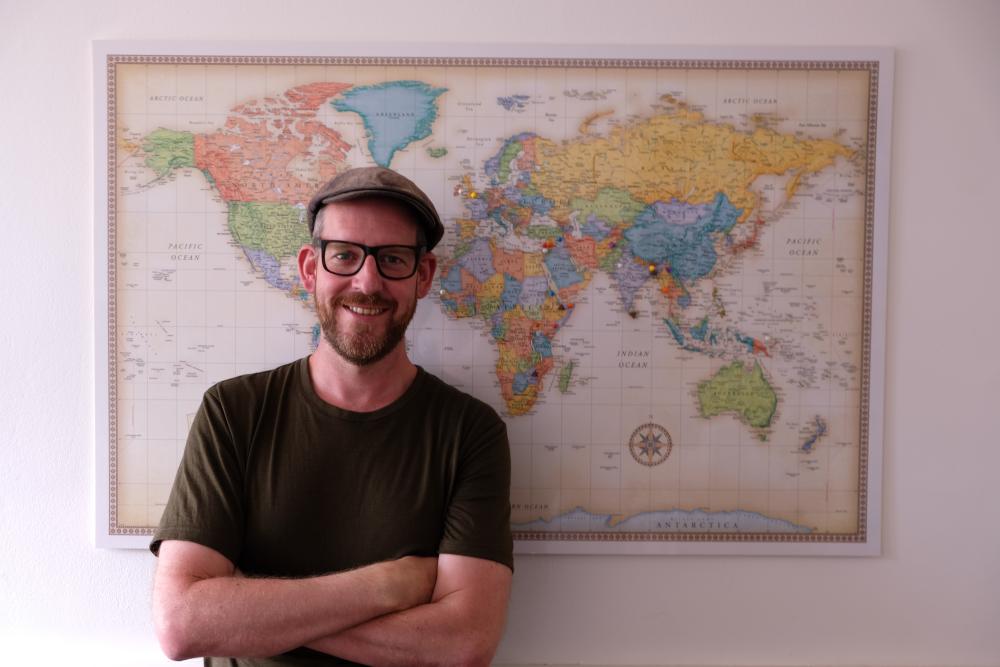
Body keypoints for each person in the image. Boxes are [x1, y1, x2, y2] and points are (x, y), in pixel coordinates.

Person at [150, 167, 513, 666]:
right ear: (309, 268)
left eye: (393, 258)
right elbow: (183, 624)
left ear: (423, 275)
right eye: (344, 255)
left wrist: (250, 607)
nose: (368, 282)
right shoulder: (233, 412)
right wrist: (389, 584)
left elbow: (464, 644)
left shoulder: (471, 432)